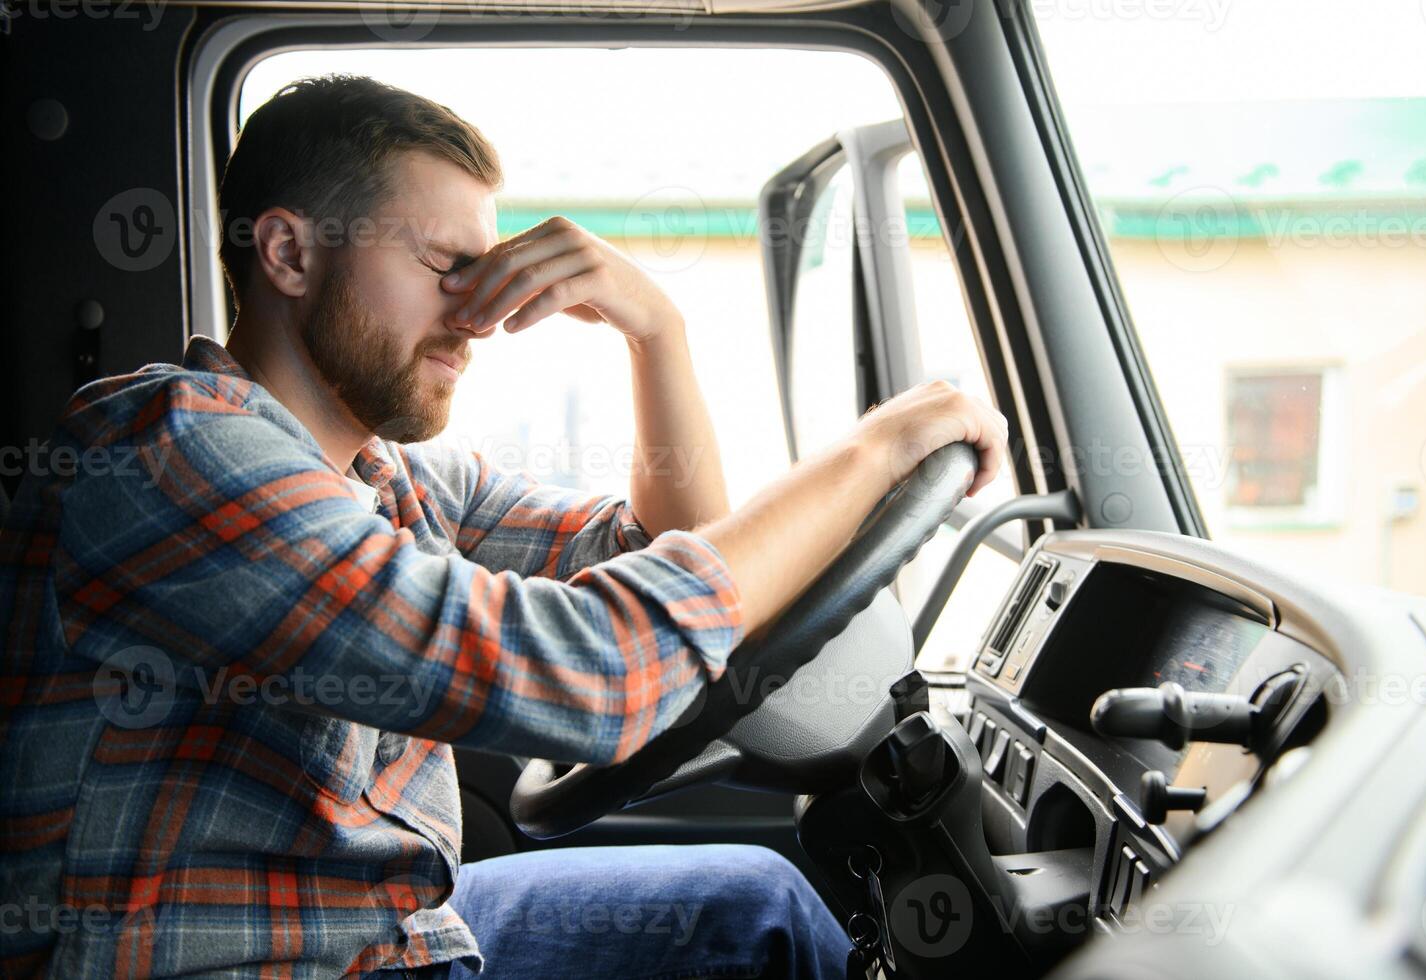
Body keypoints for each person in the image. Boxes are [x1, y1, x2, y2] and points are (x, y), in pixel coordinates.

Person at [0, 74, 1007, 978]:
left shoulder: (392, 481)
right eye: (447, 265)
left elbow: (690, 570)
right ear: (290, 252)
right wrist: (878, 448)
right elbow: (594, 673)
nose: (477, 316)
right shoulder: (169, 451)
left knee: (758, 904)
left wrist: (657, 332)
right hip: (241, 959)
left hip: (383, 930)